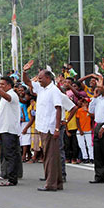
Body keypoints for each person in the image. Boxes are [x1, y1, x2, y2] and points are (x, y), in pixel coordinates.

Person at [22, 60, 63, 192]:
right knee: (50, 156)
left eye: (41, 78)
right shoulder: (41, 88)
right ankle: (56, 182)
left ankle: (50, 184)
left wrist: (57, 128)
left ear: (48, 78)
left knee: (50, 157)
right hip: (42, 126)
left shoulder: (54, 90)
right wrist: (25, 71)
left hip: (50, 128)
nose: (38, 81)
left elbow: (58, 109)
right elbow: (28, 82)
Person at [0, 76, 21, 186]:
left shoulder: (12, 95)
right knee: (6, 154)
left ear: (9, 85)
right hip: (3, 128)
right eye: (0, 84)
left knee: (10, 154)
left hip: (10, 129)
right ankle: (10, 175)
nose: (1, 86)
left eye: (3, 84)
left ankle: (12, 178)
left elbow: (7, 97)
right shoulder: (3, 98)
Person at [76, 98, 93, 163]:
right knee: (82, 145)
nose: (85, 104)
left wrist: (87, 111)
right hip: (81, 130)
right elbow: (77, 120)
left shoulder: (89, 110)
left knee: (89, 144)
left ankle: (91, 157)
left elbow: (92, 117)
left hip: (88, 129)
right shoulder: (79, 110)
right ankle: (85, 157)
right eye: (83, 102)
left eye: (86, 102)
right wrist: (80, 129)